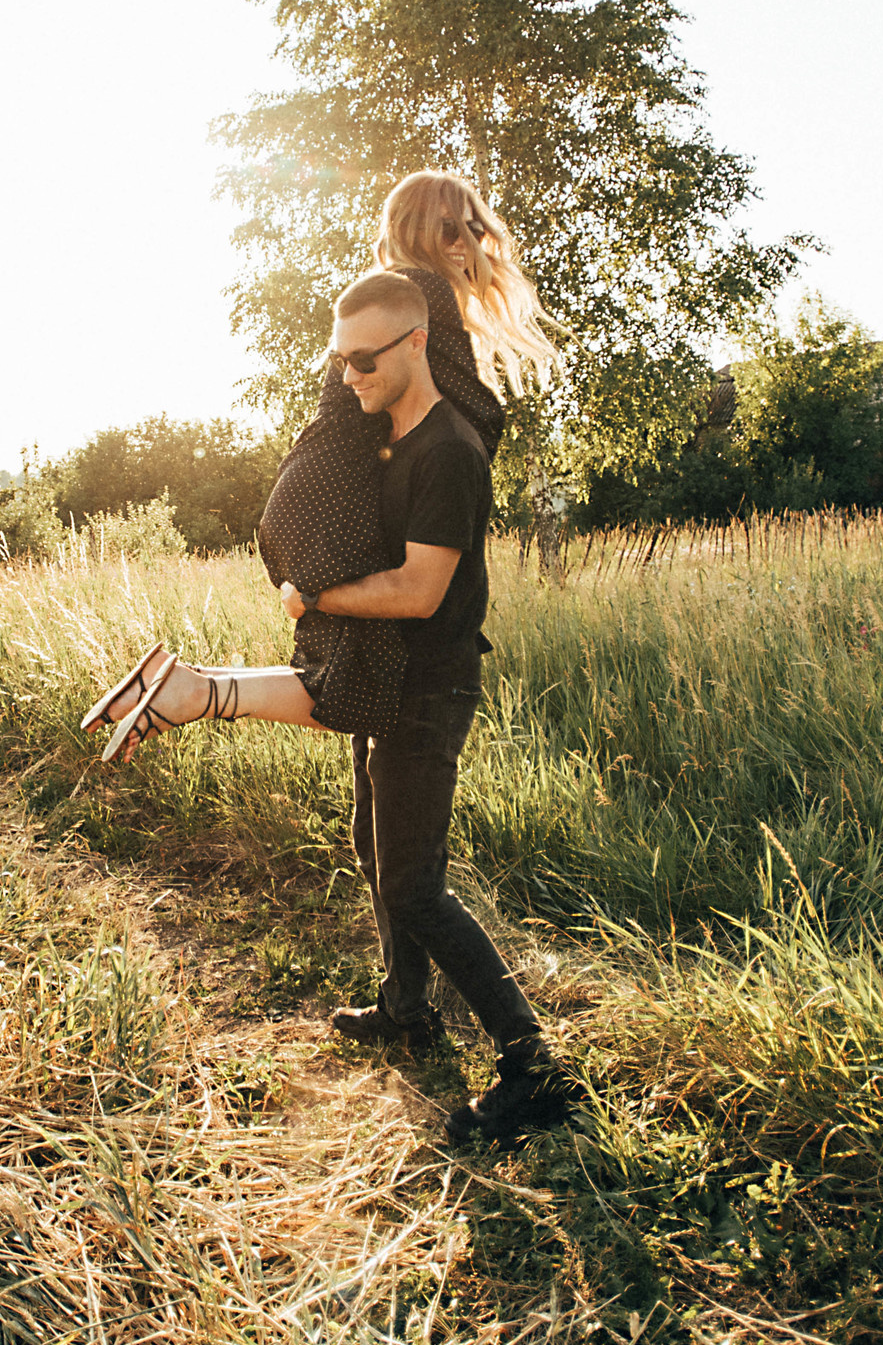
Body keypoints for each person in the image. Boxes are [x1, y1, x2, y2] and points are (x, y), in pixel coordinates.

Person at [83, 182, 572, 1144]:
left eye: (361, 363)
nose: (347, 375)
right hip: (389, 659)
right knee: (372, 838)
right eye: (458, 227)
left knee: (414, 882)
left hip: (427, 667)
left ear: (405, 349)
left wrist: (315, 594)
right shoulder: (404, 358)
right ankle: (406, 1004)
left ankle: (535, 1064)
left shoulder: (447, 428)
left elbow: (423, 587)